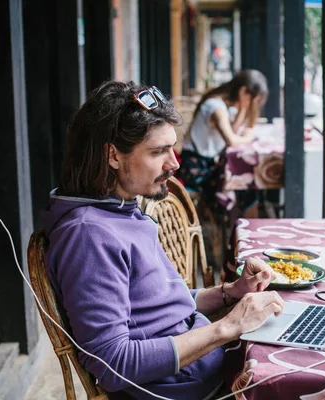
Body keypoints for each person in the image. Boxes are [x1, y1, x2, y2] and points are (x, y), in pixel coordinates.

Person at [42, 81, 284, 400]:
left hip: (211, 370)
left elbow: (157, 307)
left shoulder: (121, 208)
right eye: (158, 152)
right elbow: (113, 364)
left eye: (172, 147)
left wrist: (230, 293)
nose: (174, 163)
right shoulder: (88, 235)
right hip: (196, 391)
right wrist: (229, 326)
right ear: (113, 155)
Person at [178, 70, 268, 223]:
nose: (253, 104)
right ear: (243, 91)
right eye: (253, 99)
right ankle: (235, 229)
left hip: (202, 164)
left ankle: (233, 228)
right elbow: (231, 140)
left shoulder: (220, 104)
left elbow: (231, 131)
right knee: (244, 185)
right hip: (195, 170)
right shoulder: (215, 108)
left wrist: (242, 109)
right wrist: (249, 136)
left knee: (243, 182)